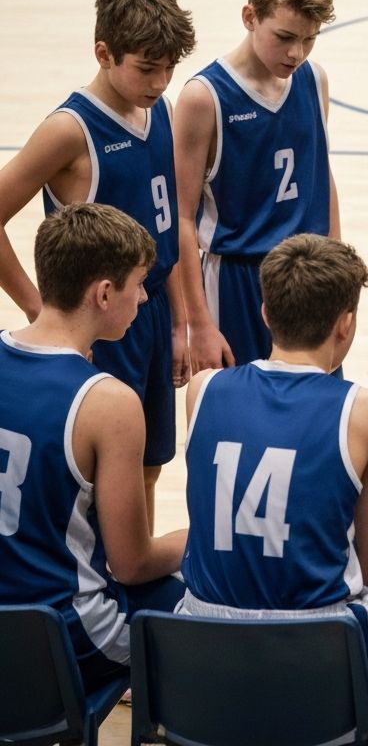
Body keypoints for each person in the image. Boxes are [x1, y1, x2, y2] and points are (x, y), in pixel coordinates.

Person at [179, 234, 368, 746]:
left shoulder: (202, 389)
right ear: (347, 323)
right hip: (320, 649)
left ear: (265, 313)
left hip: (203, 639)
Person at [0, 0, 196, 530]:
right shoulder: (69, 130)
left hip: (150, 310)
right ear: (103, 53)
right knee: (103, 473)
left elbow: (165, 229)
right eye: (146, 68)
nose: (159, 82)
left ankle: (131, 589)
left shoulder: (160, 109)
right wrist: (40, 311)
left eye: (168, 68)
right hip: (101, 320)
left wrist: (180, 321)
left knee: (150, 465)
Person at [0, 203, 187, 692]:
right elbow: (131, 563)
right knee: (205, 600)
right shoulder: (109, 403)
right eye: (139, 284)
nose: (145, 298)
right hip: (62, 640)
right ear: (103, 293)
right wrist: (199, 536)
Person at [174, 0, 340, 372]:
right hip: (238, 281)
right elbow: (182, 217)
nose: (297, 53)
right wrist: (198, 324)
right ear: (250, 17)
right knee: (236, 417)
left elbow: (321, 177)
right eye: (285, 37)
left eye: (309, 38)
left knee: (314, 413)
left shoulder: (314, 79)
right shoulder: (204, 98)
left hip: (309, 274)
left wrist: (341, 270)